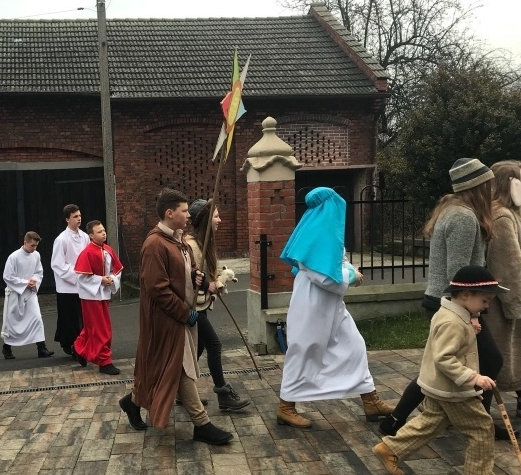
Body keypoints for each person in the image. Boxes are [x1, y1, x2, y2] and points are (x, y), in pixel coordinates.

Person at [380, 158, 510, 439]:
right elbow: (458, 272)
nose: (492, 189)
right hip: (455, 303)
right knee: (487, 361)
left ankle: (396, 419)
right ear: (477, 186)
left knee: (444, 365)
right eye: (487, 184)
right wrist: (472, 315)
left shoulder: (454, 211)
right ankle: (478, 422)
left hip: (448, 301)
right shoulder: (463, 217)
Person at [373, 265, 512, 475]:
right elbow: (444, 358)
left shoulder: (451, 313)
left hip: (439, 385)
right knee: (481, 428)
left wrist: (471, 324)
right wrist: (473, 377)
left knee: (430, 422)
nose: (486, 307)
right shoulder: (453, 322)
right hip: (454, 389)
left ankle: (390, 449)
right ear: (466, 295)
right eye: (485, 301)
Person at [119, 188, 233, 445]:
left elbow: (184, 271)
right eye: (183, 211)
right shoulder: (154, 245)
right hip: (166, 319)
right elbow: (158, 289)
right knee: (181, 367)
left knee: (166, 367)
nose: (188, 216)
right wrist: (186, 313)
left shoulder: (178, 240)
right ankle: (201, 423)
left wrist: (195, 277)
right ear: (170, 214)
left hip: (178, 316)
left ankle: (133, 401)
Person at [277, 187, 393, 428]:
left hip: (329, 304)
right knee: (305, 350)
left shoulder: (320, 229)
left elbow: (335, 262)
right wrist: (351, 275)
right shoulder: (317, 232)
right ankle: (286, 406)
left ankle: (370, 398)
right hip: (313, 304)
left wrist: (349, 270)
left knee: (354, 345)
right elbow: (324, 277)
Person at [185, 199, 250, 411]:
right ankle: (223, 394)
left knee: (201, 346)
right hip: (193, 308)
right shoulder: (192, 246)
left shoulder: (205, 244)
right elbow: (190, 277)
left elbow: (207, 275)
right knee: (214, 345)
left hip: (202, 305)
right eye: (216, 216)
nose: (220, 220)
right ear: (205, 220)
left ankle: (182, 389)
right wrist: (209, 285)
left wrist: (219, 281)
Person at [483, 161, 521, 414]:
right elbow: (509, 268)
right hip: (503, 304)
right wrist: (516, 306)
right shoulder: (502, 216)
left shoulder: (505, 213)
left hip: (504, 300)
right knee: (500, 358)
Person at [72, 220, 123, 375]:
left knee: (93, 328)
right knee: (102, 329)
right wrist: (101, 280)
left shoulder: (108, 249)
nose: (104, 233)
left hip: (103, 294)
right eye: (99, 232)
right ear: (91, 236)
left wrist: (112, 279)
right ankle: (104, 361)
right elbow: (81, 277)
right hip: (91, 296)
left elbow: (117, 270)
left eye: (104, 230)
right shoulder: (86, 253)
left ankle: (79, 348)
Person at [1, 232, 54, 360]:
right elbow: (7, 276)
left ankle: (41, 348)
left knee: (37, 318)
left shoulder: (36, 255)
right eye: (32, 245)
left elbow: (39, 272)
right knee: (11, 322)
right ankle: (6, 348)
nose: (34, 248)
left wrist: (34, 281)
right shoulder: (14, 257)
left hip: (30, 292)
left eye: (36, 246)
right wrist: (25, 283)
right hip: (15, 293)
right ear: (25, 243)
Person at [51, 204, 90, 357]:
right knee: (69, 319)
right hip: (67, 286)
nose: (79, 218)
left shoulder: (85, 237)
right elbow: (57, 264)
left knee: (81, 317)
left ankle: (81, 344)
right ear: (67, 219)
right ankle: (71, 345)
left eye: (79, 215)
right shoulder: (61, 239)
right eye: (75, 216)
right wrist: (76, 274)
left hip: (82, 284)